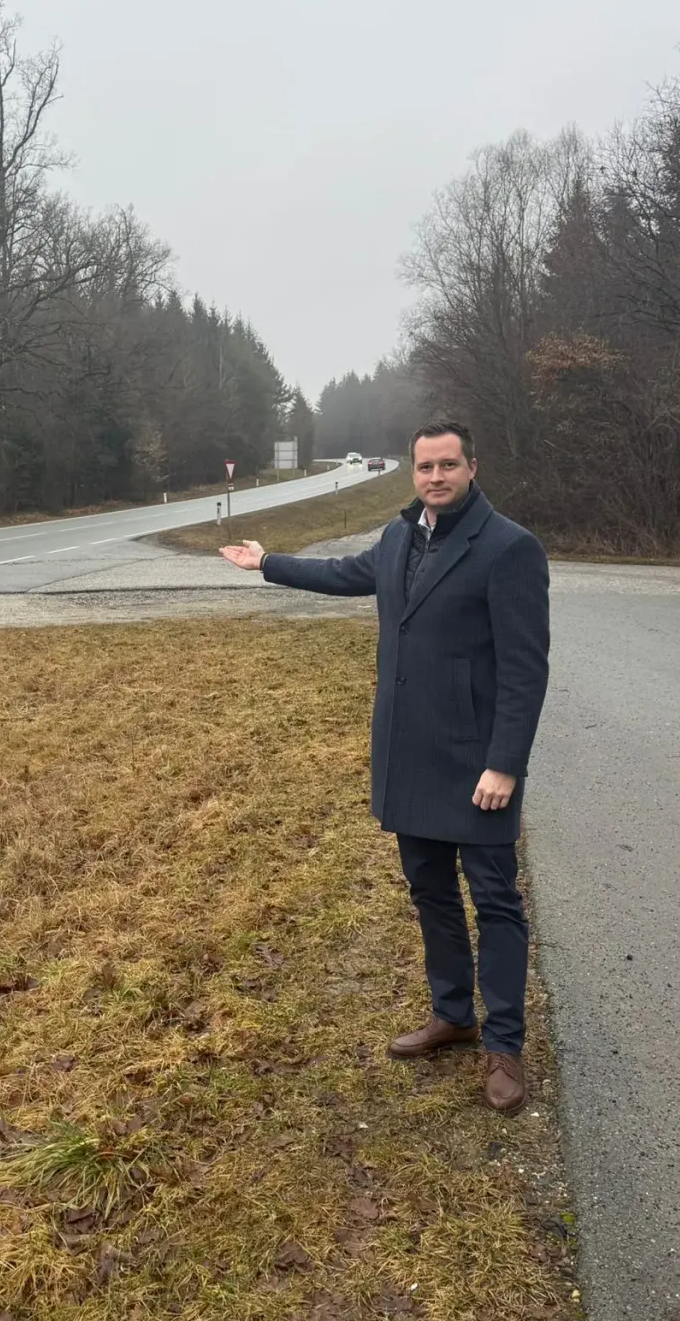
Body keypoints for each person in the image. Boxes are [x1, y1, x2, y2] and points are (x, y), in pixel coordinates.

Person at [220, 424, 549, 1114]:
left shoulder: (509, 548)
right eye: (425, 465)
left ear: (471, 466)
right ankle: (452, 1015)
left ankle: (505, 1046)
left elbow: (525, 671)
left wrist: (505, 766)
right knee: (429, 893)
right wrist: (268, 562)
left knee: (495, 904)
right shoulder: (401, 536)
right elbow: (347, 575)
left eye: (448, 464)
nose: (436, 476)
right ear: (413, 471)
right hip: (409, 755)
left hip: (477, 767)